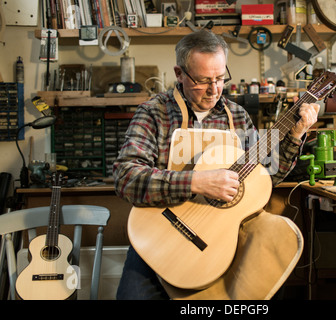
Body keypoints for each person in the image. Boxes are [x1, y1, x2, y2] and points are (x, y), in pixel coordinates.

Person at [113, 29, 320, 300]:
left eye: (220, 78)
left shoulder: (237, 116)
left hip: (215, 241)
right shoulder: (153, 113)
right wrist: (198, 182)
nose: (214, 90)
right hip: (158, 235)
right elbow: (126, 177)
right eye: (202, 80)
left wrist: (295, 134)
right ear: (179, 74)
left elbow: (266, 177)